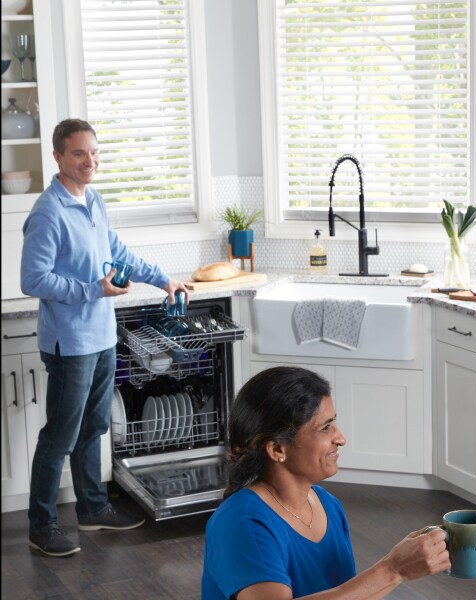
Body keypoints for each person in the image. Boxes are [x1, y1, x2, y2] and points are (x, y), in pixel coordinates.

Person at [21, 118, 189, 558]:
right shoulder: (48, 211)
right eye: (79, 153)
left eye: (94, 152)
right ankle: (41, 525)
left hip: (101, 336)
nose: (89, 161)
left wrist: (163, 279)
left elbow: (118, 252)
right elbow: (33, 278)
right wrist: (92, 290)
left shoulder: (93, 199)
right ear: (58, 156)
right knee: (59, 435)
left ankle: (92, 507)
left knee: (94, 427)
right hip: (69, 343)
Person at [202, 366, 450, 599]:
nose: (340, 438)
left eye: (334, 423)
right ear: (277, 448)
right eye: (325, 428)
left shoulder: (327, 504)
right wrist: (393, 569)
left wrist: (400, 565)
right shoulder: (242, 522)